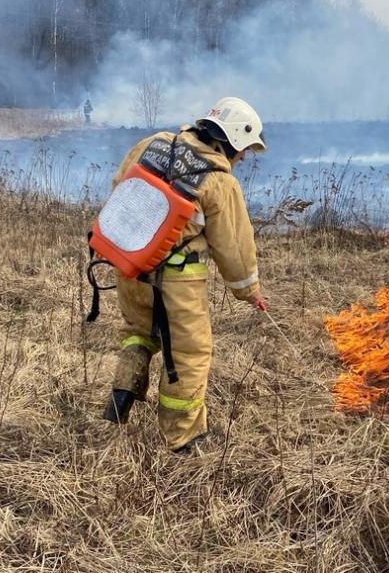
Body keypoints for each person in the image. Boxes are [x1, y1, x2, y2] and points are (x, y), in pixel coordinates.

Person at [103, 96, 267, 453]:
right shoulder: (219, 182)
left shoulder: (153, 144)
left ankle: (120, 399)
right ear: (233, 140)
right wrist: (249, 290)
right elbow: (234, 249)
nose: (243, 158)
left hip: (131, 267)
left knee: (138, 335)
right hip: (178, 283)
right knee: (189, 356)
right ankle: (184, 439)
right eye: (244, 150)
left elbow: (120, 186)